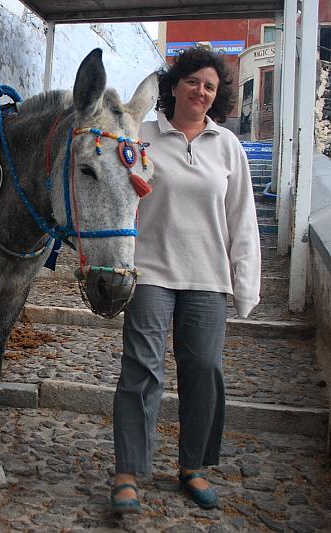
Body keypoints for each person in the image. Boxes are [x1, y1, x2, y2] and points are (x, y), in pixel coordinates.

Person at [110, 47, 261, 513]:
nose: (201, 91)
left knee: (205, 370)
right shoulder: (142, 135)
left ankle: (193, 466)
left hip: (208, 278)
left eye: (210, 86)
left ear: (218, 95)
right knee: (142, 369)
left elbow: (242, 219)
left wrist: (245, 284)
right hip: (151, 270)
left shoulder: (228, 146)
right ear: (174, 85)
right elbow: (116, 197)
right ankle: (128, 473)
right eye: (193, 81)